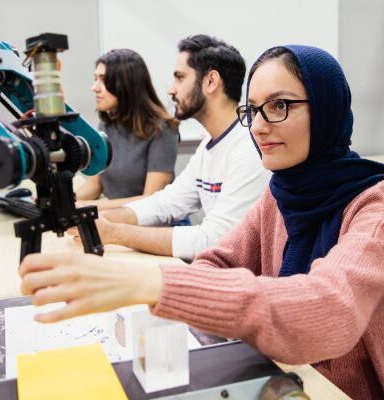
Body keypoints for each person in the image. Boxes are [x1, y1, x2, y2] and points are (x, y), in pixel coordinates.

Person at [20, 45, 384, 399]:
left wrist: (152, 282)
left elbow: (326, 309)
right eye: (253, 110)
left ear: (327, 111)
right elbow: (217, 260)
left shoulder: (374, 210)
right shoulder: (280, 193)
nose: (257, 127)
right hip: (289, 378)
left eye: (279, 106)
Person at [72, 35, 270, 260]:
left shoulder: (248, 148)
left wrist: (115, 232)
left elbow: (215, 240)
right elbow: (166, 202)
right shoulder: (209, 145)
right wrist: (91, 218)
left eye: (180, 78)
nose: (171, 90)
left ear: (211, 82)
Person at [75, 49, 179, 210]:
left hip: (158, 226)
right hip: (119, 218)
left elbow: (150, 201)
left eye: (103, 80)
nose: (94, 87)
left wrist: (89, 206)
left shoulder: (163, 130)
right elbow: (95, 185)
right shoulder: (106, 124)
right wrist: (66, 204)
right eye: (95, 79)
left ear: (126, 84)